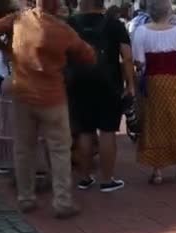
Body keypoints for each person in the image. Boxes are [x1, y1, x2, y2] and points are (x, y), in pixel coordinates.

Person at [0, 0, 96, 218]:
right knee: (59, 150)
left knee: (23, 149)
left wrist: (7, 48)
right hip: (53, 97)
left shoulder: (19, 19)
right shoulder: (63, 30)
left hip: (23, 95)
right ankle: (62, 201)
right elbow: (88, 55)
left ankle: (26, 198)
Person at [67, 0, 135, 193]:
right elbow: (127, 56)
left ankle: (85, 177)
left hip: (79, 82)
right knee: (107, 131)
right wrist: (130, 84)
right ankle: (107, 179)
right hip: (108, 83)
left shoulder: (71, 23)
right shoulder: (114, 24)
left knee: (84, 131)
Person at [132, 0, 176, 184]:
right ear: (168, 12)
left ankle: (157, 171)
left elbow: (138, 62)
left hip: (154, 82)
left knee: (156, 122)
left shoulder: (141, 31)